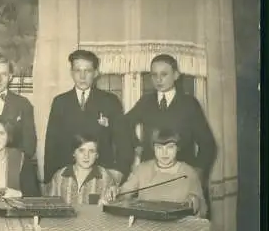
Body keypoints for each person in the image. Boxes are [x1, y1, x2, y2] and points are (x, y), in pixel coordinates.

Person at [124, 54, 217, 188]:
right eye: (154, 75)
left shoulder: (189, 104)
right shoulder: (146, 101)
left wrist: (197, 171)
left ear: (176, 75)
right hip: (151, 176)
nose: (158, 79)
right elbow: (124, 123)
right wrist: (136, 144)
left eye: (164, 74)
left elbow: (208, 144)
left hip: (180, 175)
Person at [44, 49, 134, 186]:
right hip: (66, 178)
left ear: (96, 73)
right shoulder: (60, 102)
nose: (82, 76)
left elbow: (124, 142)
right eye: (77, 70)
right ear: (71, 73)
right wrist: (49, 180)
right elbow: (51, 146)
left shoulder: (110, 101)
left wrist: (119, 172)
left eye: (88, 71)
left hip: (101, 178)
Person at [104, 128, 208, 218]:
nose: (164, 153)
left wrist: (195, 202)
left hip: (177, 230)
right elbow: (124, 194)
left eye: (170, 147)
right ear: (153, 148)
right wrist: (115, 192)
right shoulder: (142, 169)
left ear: (178, 147)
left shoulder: (189, 172)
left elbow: (202, 210)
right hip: (145, 227)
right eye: (159, 147)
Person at [47, 134, 116, 205]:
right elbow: (50, 206)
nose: (86, 156)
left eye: (91, 151)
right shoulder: (60, 176)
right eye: (81, 150)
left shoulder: (105, 177)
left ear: (97, 155)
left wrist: (107, 206)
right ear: (73, 153)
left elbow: (112, 206)